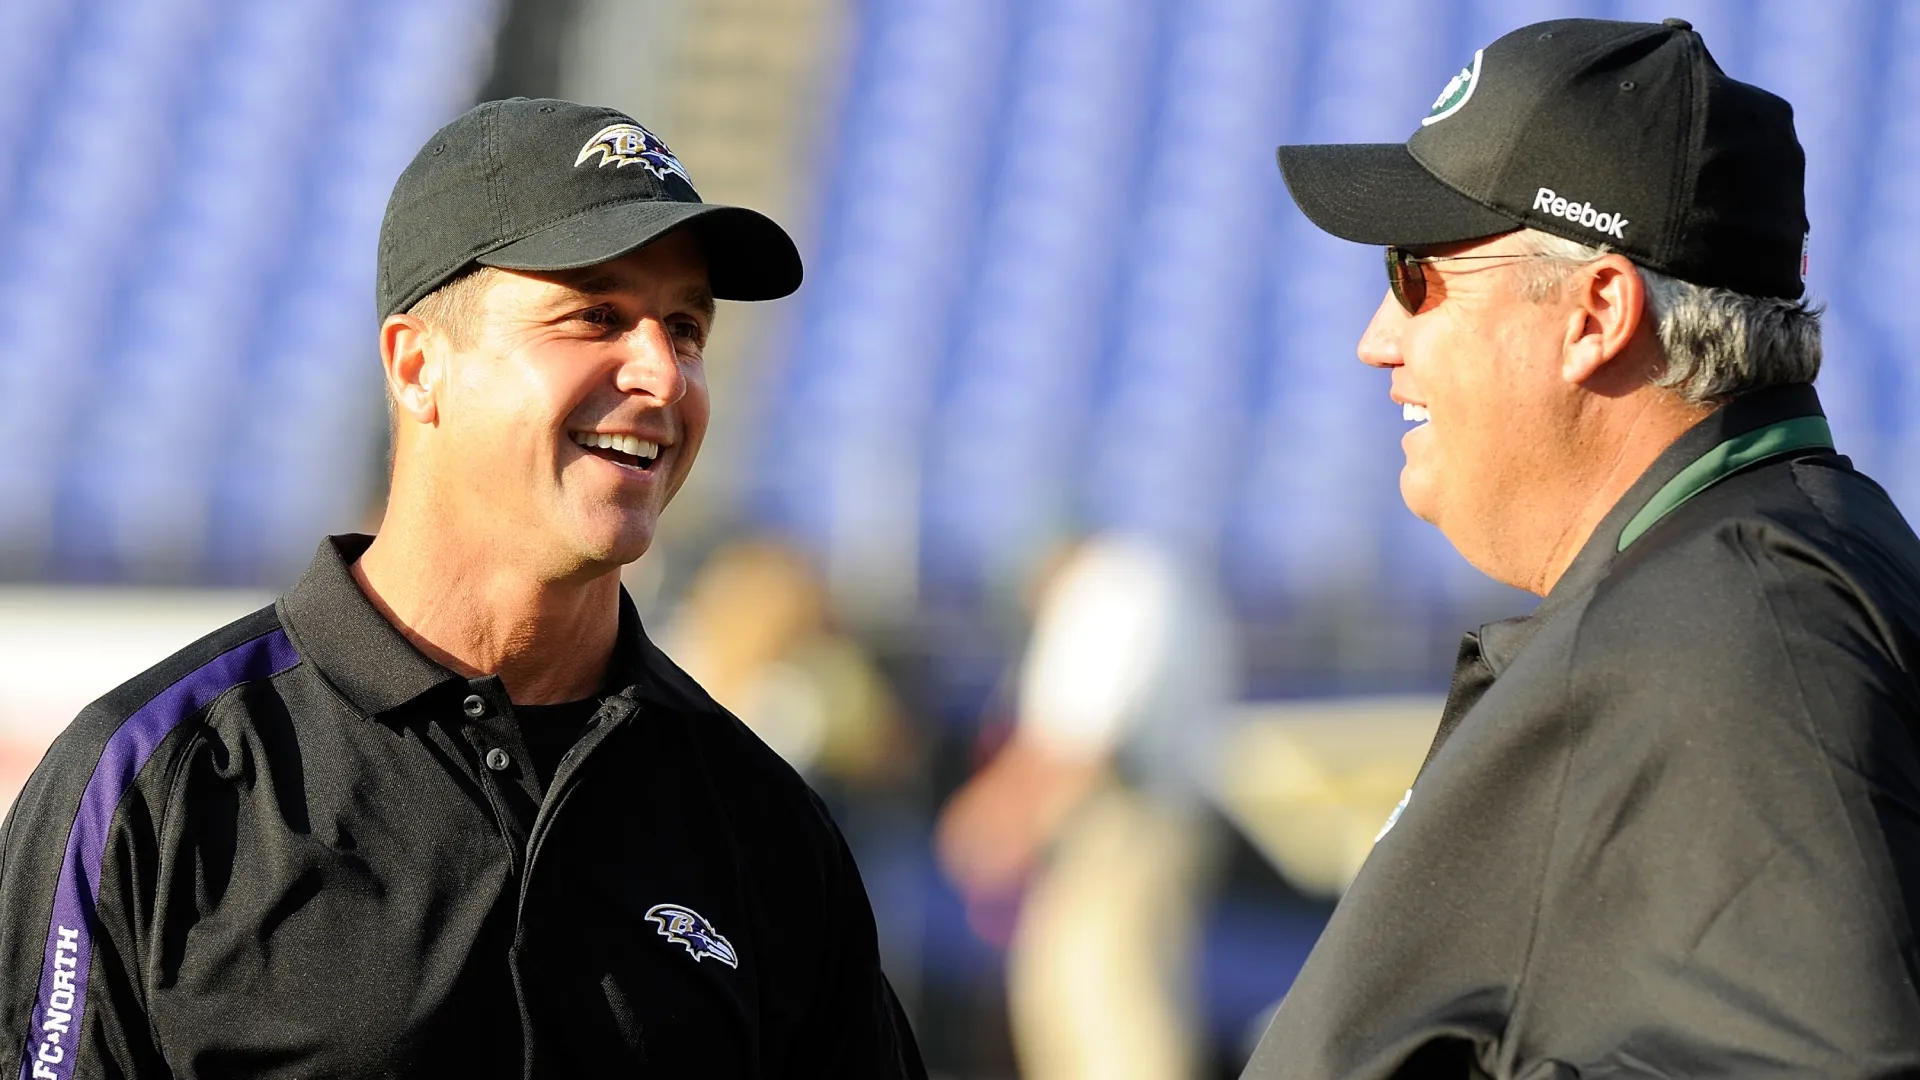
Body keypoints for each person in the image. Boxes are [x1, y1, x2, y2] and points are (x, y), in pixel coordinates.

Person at [0, 97, 925, 1079]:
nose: (664, 374)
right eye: (597, 317)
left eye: (687, 328)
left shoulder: (764, 823)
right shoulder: (155, 779)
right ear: (417, 366)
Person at [1245, 17, 1920, 1078]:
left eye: (1418, 275)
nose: (1378, 339)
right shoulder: (1730, 589)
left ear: (1596, 313)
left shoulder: (1750, 633)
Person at [938, 533, 1237, 1080]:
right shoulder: (1135, 580)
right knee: (1067, 1006)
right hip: (1106, 830)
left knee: (1113, 1015)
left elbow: (1081, 740)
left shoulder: (1113, 585)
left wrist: (998, 816)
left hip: (1128, 829)